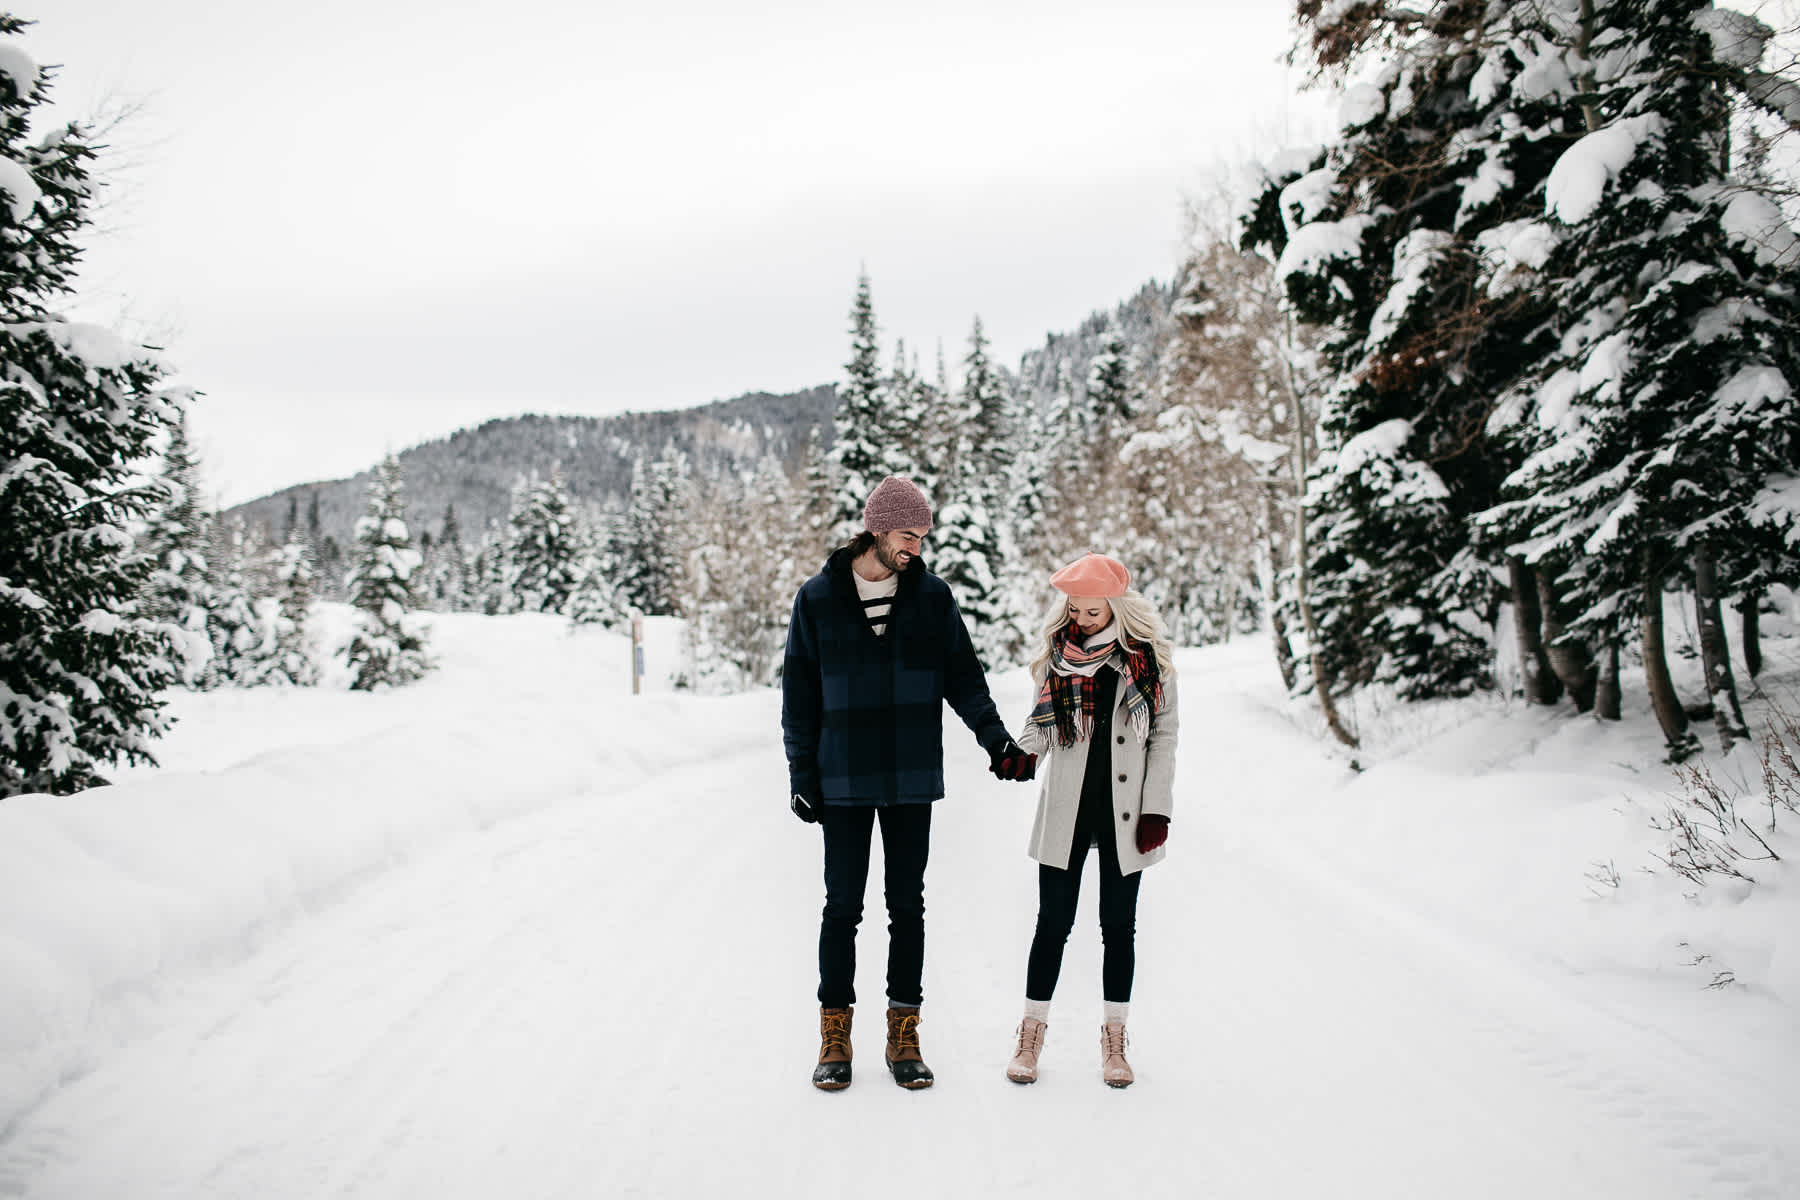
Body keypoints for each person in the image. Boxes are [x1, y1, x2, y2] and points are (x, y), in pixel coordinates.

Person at [782, 475, 1036, 1092]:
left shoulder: (932, 599)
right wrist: (800, 772)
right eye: (906, 536)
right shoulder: (817, 599)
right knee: (842, 907)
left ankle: (904, 1033)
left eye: (922, 537)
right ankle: (834, 1035)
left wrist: (998, 741)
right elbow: (799, 695)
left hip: (909, 775)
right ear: (875, 529)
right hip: (841, 776)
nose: (915, 548)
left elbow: (965, 680)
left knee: (907, 906)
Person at [1002, 552, 1178, 1088]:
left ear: (1118, 610)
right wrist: (1022, 755)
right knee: (1052, 924)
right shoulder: (1061, 658)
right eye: (1074, 610)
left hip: (1127, 816)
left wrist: (1156, 810)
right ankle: (1030, 1037)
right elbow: (1042, 722)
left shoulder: (1150, 666)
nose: (1080, 620)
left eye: (1092, 613)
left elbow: (1164, 739)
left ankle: (1115, 1043)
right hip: (1069, 810)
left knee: (1117, 929)